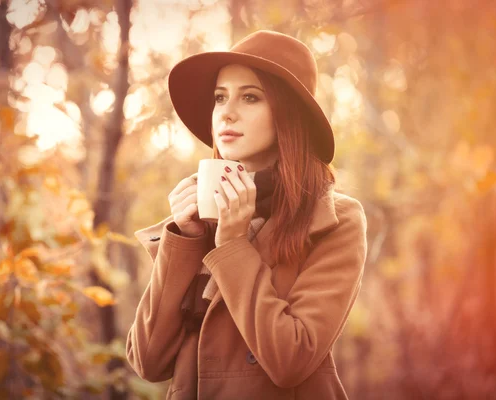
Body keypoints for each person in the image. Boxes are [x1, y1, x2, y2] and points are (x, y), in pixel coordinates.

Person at [126, 30, 367, 400]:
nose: (227, 112)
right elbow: (148, 362)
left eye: (250, 97)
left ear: (289, 114)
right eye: (220, 97)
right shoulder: (201, 211)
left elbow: (291, 360)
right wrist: (184, 239)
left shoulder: (335, 220)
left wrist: (234, 246)